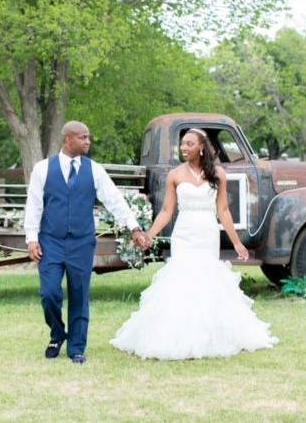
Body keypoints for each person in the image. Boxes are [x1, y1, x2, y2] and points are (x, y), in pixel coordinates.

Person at [110, 128, 279, 360]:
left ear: (201, 147)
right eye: (182, 144)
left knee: (206, 279)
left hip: (207, 232)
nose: (184, 148)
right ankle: (176, 335)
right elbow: (167, 210)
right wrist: (149, 234)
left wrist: (238, 243)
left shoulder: (218, 174)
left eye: (189, 144)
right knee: (182, 279)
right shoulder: (175, 175)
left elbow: (224, 210)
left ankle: (210, 335)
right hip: (184, 233)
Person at [24, 120, 150, 364]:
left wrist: (134, 227)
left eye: (88, 137)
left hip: (81, 242)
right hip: (51, 241)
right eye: (83, 137)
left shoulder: (94, 170)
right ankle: (57, 333)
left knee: (79, 294)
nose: (88, 142)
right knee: (49, 293)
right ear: (67, 139)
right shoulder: (42, 169)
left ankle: (77, 347)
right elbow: (34, 205)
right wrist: (31, 238)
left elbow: (114, 200)